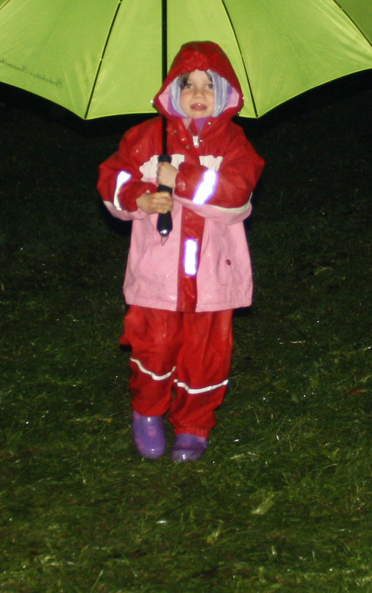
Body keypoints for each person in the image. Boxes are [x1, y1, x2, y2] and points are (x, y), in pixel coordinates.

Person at [97, 41, 264, 463]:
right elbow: (111, 180)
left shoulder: (234, 144)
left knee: (205, 353)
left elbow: (235, 194)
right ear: (171, 90)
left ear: (227, 94)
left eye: (210, 85)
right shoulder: (145, 138)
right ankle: (148, 412)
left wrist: (182, 179)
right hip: (159, 273)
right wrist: (139, 196)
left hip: (211, 276)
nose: (198, 93)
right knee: (154, 343)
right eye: (187, 84)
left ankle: (193, 424)